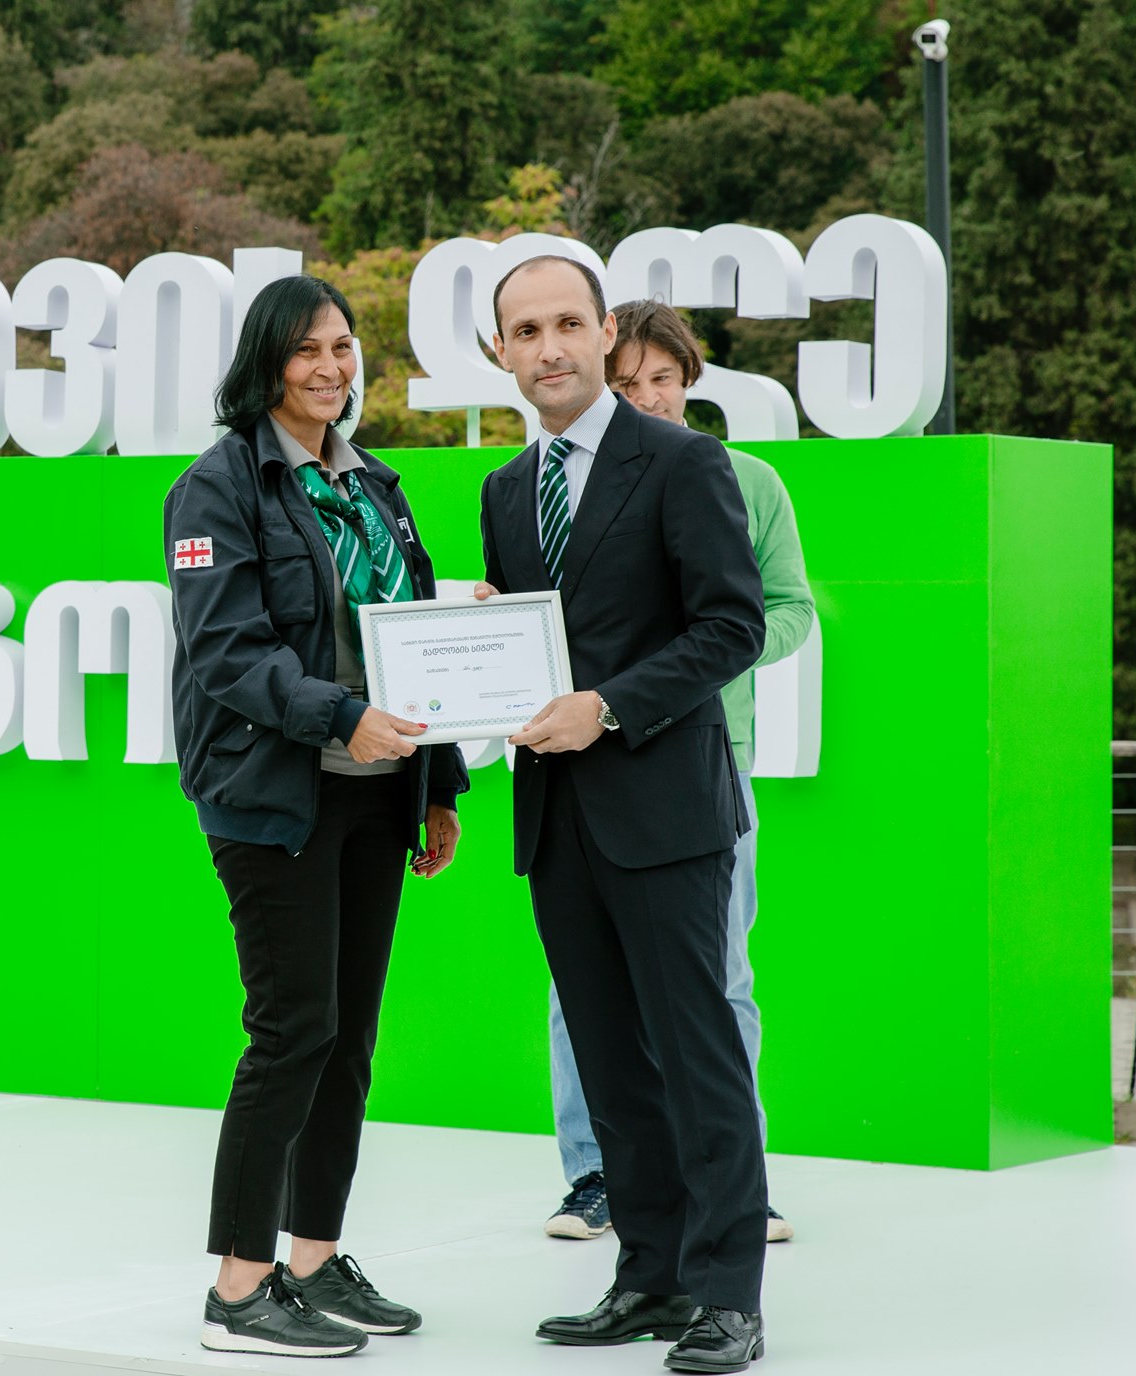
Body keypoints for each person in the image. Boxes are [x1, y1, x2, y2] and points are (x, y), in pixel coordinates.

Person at [163, 274, 470, 1359]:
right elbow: (228, 652)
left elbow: (405, 636)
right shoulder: (217, 488)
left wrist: (438, 782)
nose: (331, 367)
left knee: (346, 1038)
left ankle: (311, 1259)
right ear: (265, 362)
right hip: (271, 794)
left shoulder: (373, 483)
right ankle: (237, 1290)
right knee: (293, 1029)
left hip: (377, 790)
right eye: (307, 349)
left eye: (343, 346)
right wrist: (342, 716)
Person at [474, 256, 768, 1374]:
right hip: (556, 819)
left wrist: (604, 706)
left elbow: (730, 626)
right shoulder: (507, 490)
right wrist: (492, 641)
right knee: (608, 1059)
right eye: (524, 330)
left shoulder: (683, 461)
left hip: (665, 808)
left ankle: (727, 1294)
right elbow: (544, 638)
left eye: (565, 323)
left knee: (698, 1055)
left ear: (603, 333)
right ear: (501, 351)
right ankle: (650, 1273)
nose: (547, 347)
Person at [542, 299, 815, 1249]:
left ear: (690, 380)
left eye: (662, 379)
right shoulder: (560, 483)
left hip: (707, 758)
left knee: (719, 979)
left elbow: (785, 610)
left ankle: (737, 1184)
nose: (648, 397)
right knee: (583, 987)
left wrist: (693, 659)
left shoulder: (744, 479)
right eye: (628, 383)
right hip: (589, 766)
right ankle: (595, 1175)